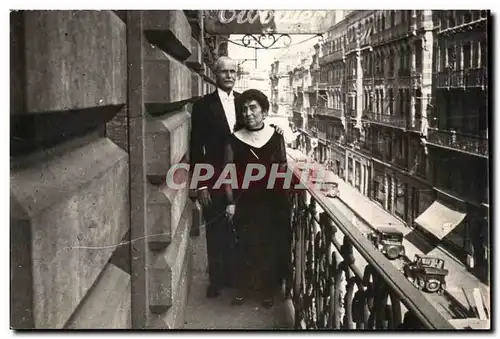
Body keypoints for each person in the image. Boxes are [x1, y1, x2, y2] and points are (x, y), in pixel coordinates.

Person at [189, 57, 283, 298]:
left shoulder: (244, 101)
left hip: (241, 179)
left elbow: (256, 126)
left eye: (233, 71)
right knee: (215, 228)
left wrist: (277, 129)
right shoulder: (202, 106)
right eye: (224, 72)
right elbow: (196, 145)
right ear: (216, 73)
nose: (229, 76)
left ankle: (235, 278)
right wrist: (200, 183)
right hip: (213, 177)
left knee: (241, 230)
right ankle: (216, 281)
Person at [224, 89, 291, 308]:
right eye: (244, 109)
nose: (248, 113)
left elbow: (282, 166)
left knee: (270, 246)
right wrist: (231, 202)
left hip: (273, 202)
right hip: (246, 201)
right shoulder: (233, 140)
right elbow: (228, 174)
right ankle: (243, 289)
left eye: (253, 108)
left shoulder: (276, 136)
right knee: (245, 245)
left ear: (264, 110)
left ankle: (268, 290)